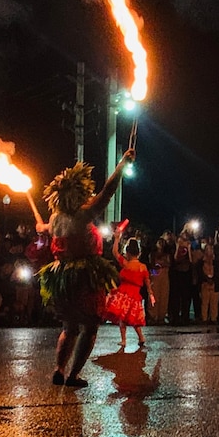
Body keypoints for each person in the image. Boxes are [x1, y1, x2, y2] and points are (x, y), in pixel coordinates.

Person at [37, 149, 135, 387]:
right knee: (89, 326)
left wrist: (41, 227)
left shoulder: (56, 218)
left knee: (69, 326)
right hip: (83, 277)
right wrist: (121, 164)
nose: (89, 196)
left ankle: (59, 368)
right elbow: (107, 192)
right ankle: (72, 375)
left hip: (61, 275)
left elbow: (44, 229)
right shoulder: (83, 215)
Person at [105, 228, 155, 348]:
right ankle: (141, 337)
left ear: (127, 251)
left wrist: (117, 238)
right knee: (134, 320)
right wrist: (151, 294)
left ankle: (124, 340)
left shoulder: (126, 264)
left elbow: (115, 252)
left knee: (123, 319)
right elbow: (147, 282)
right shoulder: (142, 267)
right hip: (135, 296)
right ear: (139, 252)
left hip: (124, 294)